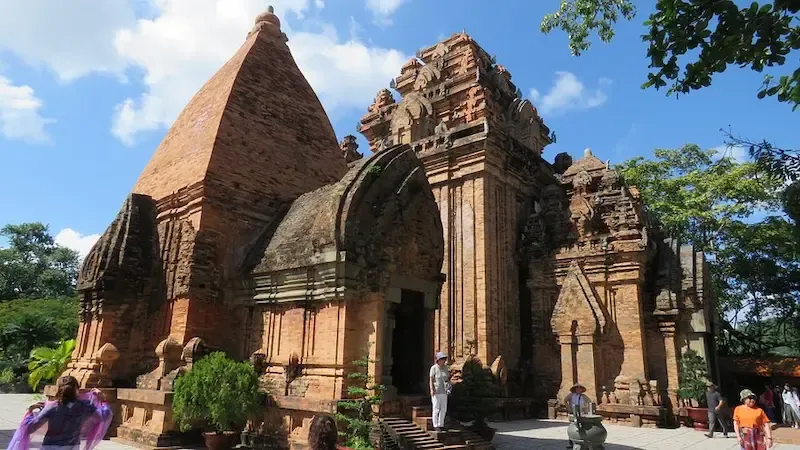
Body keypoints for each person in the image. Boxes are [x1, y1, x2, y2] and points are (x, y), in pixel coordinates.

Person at [7, 375, 113, 450]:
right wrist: (102, 400)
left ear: (59, 390)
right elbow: (104, 416)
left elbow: (30, 428)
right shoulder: (85, 407)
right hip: (72, 447)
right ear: (77, 389)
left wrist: (30, 412)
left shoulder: (52, 407)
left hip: (50, 447)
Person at [563, 383, 591, 449]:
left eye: (579, 388)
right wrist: (568, 407)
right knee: (572, 428)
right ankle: (571, 443)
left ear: (581, 390)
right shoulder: (571, 395)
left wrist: (586, 409)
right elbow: (565, 400)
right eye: (577, 388)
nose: (578, 389)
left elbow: (589, 402)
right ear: (575, 389)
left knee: (582, 427)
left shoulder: (583, 396)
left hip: (581, 413)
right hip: (573, 413)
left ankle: (583, 442)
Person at [429, 351, 451, 432]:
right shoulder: (434, 368)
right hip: (436, 391)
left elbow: (447, 379)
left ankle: (441, 424)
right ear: (438, 360)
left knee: (443, 409)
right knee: (436, 408)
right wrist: (432, 390)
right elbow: (431, 380)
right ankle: (435, 425)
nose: (443, 361)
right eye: (442, 359)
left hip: (444, 391)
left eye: (444, 359)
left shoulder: (446, 368)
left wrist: (449, 387)